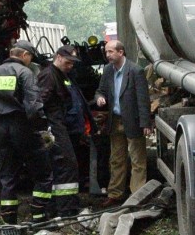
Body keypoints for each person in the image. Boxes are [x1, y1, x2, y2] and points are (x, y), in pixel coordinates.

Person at [0, 40, 53, 224]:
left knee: (8, 176)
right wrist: (42, 129)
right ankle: (39, 217)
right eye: (30, 57)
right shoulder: (25, 73)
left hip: (2, 129)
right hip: (24, 127)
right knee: (43, 173)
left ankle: (8, 219)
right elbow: (34, 106)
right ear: (25, 55)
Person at [94, 40, 152, 207]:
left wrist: (145, 122)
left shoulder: (135, 71)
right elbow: (100, 90)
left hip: (132, 121)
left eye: (111, 52)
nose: (107, 55)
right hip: (115, 120)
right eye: (106, 52)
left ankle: (137, 196)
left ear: (121, 52)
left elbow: (143, 99)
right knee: (116, 159)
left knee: (137, 160)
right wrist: (99, 98)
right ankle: (115, 194)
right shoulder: (107, 71)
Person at [37, 45, 82, 218]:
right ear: (58, 57)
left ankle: (61, 206)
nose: (70, 65)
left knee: (62, 166)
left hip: (59, 125)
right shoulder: (49, 75)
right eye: (68, 62)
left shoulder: (61, 75)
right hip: (52, 127)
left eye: (73, 63)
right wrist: (44, 129)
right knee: (66, 165)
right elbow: (39, 104)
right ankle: (65, 209)